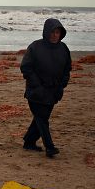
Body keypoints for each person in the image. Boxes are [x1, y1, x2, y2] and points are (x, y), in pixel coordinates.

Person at [19, 18, 71, 158]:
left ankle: (29, 141)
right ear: (46, 32)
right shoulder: (35, 47)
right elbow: (26, 67)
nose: (55, 35)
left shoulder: (63, 48)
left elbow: (67, 69)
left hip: (53, 92)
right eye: (52, 32)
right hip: (35, 92)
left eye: (58, 32)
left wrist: (62, 85)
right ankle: (50, 147)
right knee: (42, 119)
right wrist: (37, 84)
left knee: (40, 118)